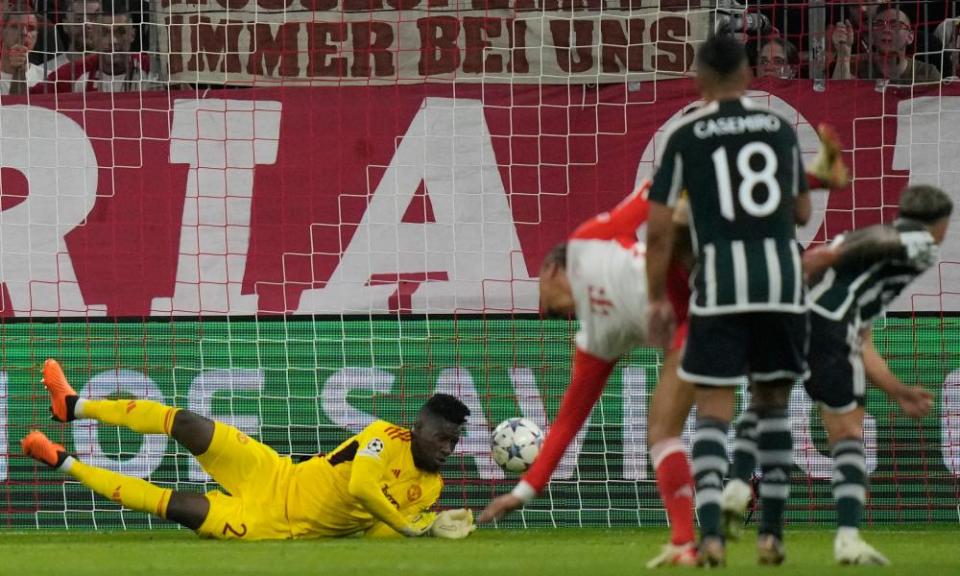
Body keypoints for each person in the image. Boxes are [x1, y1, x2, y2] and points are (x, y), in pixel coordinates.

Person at [645, 33, 811, 566]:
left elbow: (658, 228)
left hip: (718, 287)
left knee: (714, 413)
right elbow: (804, 212)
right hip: (783, 284)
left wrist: (655, 298)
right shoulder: (779, 129)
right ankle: (772, 535)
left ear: (699, 76)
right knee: (773, 409)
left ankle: (711, 535)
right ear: (747, 73)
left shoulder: (686, 135)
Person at [476, 182, 700, 567]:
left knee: (673, 230)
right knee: (664, 433)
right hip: (696, 327)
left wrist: (676, 177)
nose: (551, 314)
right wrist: (523, 493)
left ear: (551, 270)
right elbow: (567, 422)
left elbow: (642, 200)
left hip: (690, 277)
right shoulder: (595, 340)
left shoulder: (587, 245)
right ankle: (687, 544)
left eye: (545, 302)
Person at [725, 184, 952, 566]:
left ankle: (737, 486)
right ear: (940, 224)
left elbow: (861, 341)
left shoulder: (869, 265)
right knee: (847, 434)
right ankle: (847, 538)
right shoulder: (920, 242)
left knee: (768, 405)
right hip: (830, 327)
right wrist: (826, 255)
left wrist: (897, 390)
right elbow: (889, 238)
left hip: (795, 318)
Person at [22, 359, 476, 540]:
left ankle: (65, 462)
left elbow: (379, 535)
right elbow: (361, 485)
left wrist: (426, 526)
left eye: (454, 442)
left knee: (175, 505)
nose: (447, 449)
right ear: (417, 427)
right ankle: (75, 405)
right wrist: (411, 526)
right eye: (442, 438)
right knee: (188, 423)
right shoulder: (382, 435)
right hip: (275, 474)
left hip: (273, 525)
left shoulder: (430, 489)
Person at [832, 6, 941, 84]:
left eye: (895, 25)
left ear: (910, 37)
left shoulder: (928, 74)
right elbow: (837, 100)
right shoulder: (853, 66)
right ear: (871, 37)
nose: (886, 29)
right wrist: (844, 53)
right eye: (879, 24)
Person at [69, 0, 160, 92]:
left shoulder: (153, 70)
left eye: (121, 32)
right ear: (92, 36)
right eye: (104, 33)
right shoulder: (70, 76)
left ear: (132, 35)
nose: (113, 41)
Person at [0, 3, 43, 95]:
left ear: (37, 35)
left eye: (31, 28)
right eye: (15, 27)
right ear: (2, 31)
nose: (24, 33)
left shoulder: (46, 78)